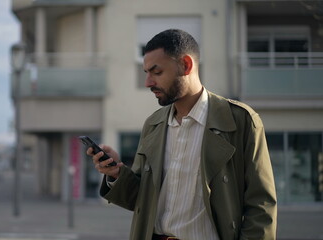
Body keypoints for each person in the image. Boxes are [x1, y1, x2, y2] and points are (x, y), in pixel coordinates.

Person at [87, 29, 277, 240]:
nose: (148, 82)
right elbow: (141, 199)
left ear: (186, 65)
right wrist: (116, 173)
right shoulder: (154, 124)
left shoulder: (241, 121)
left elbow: (261, 206)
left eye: (156, 72)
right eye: (147, 73)